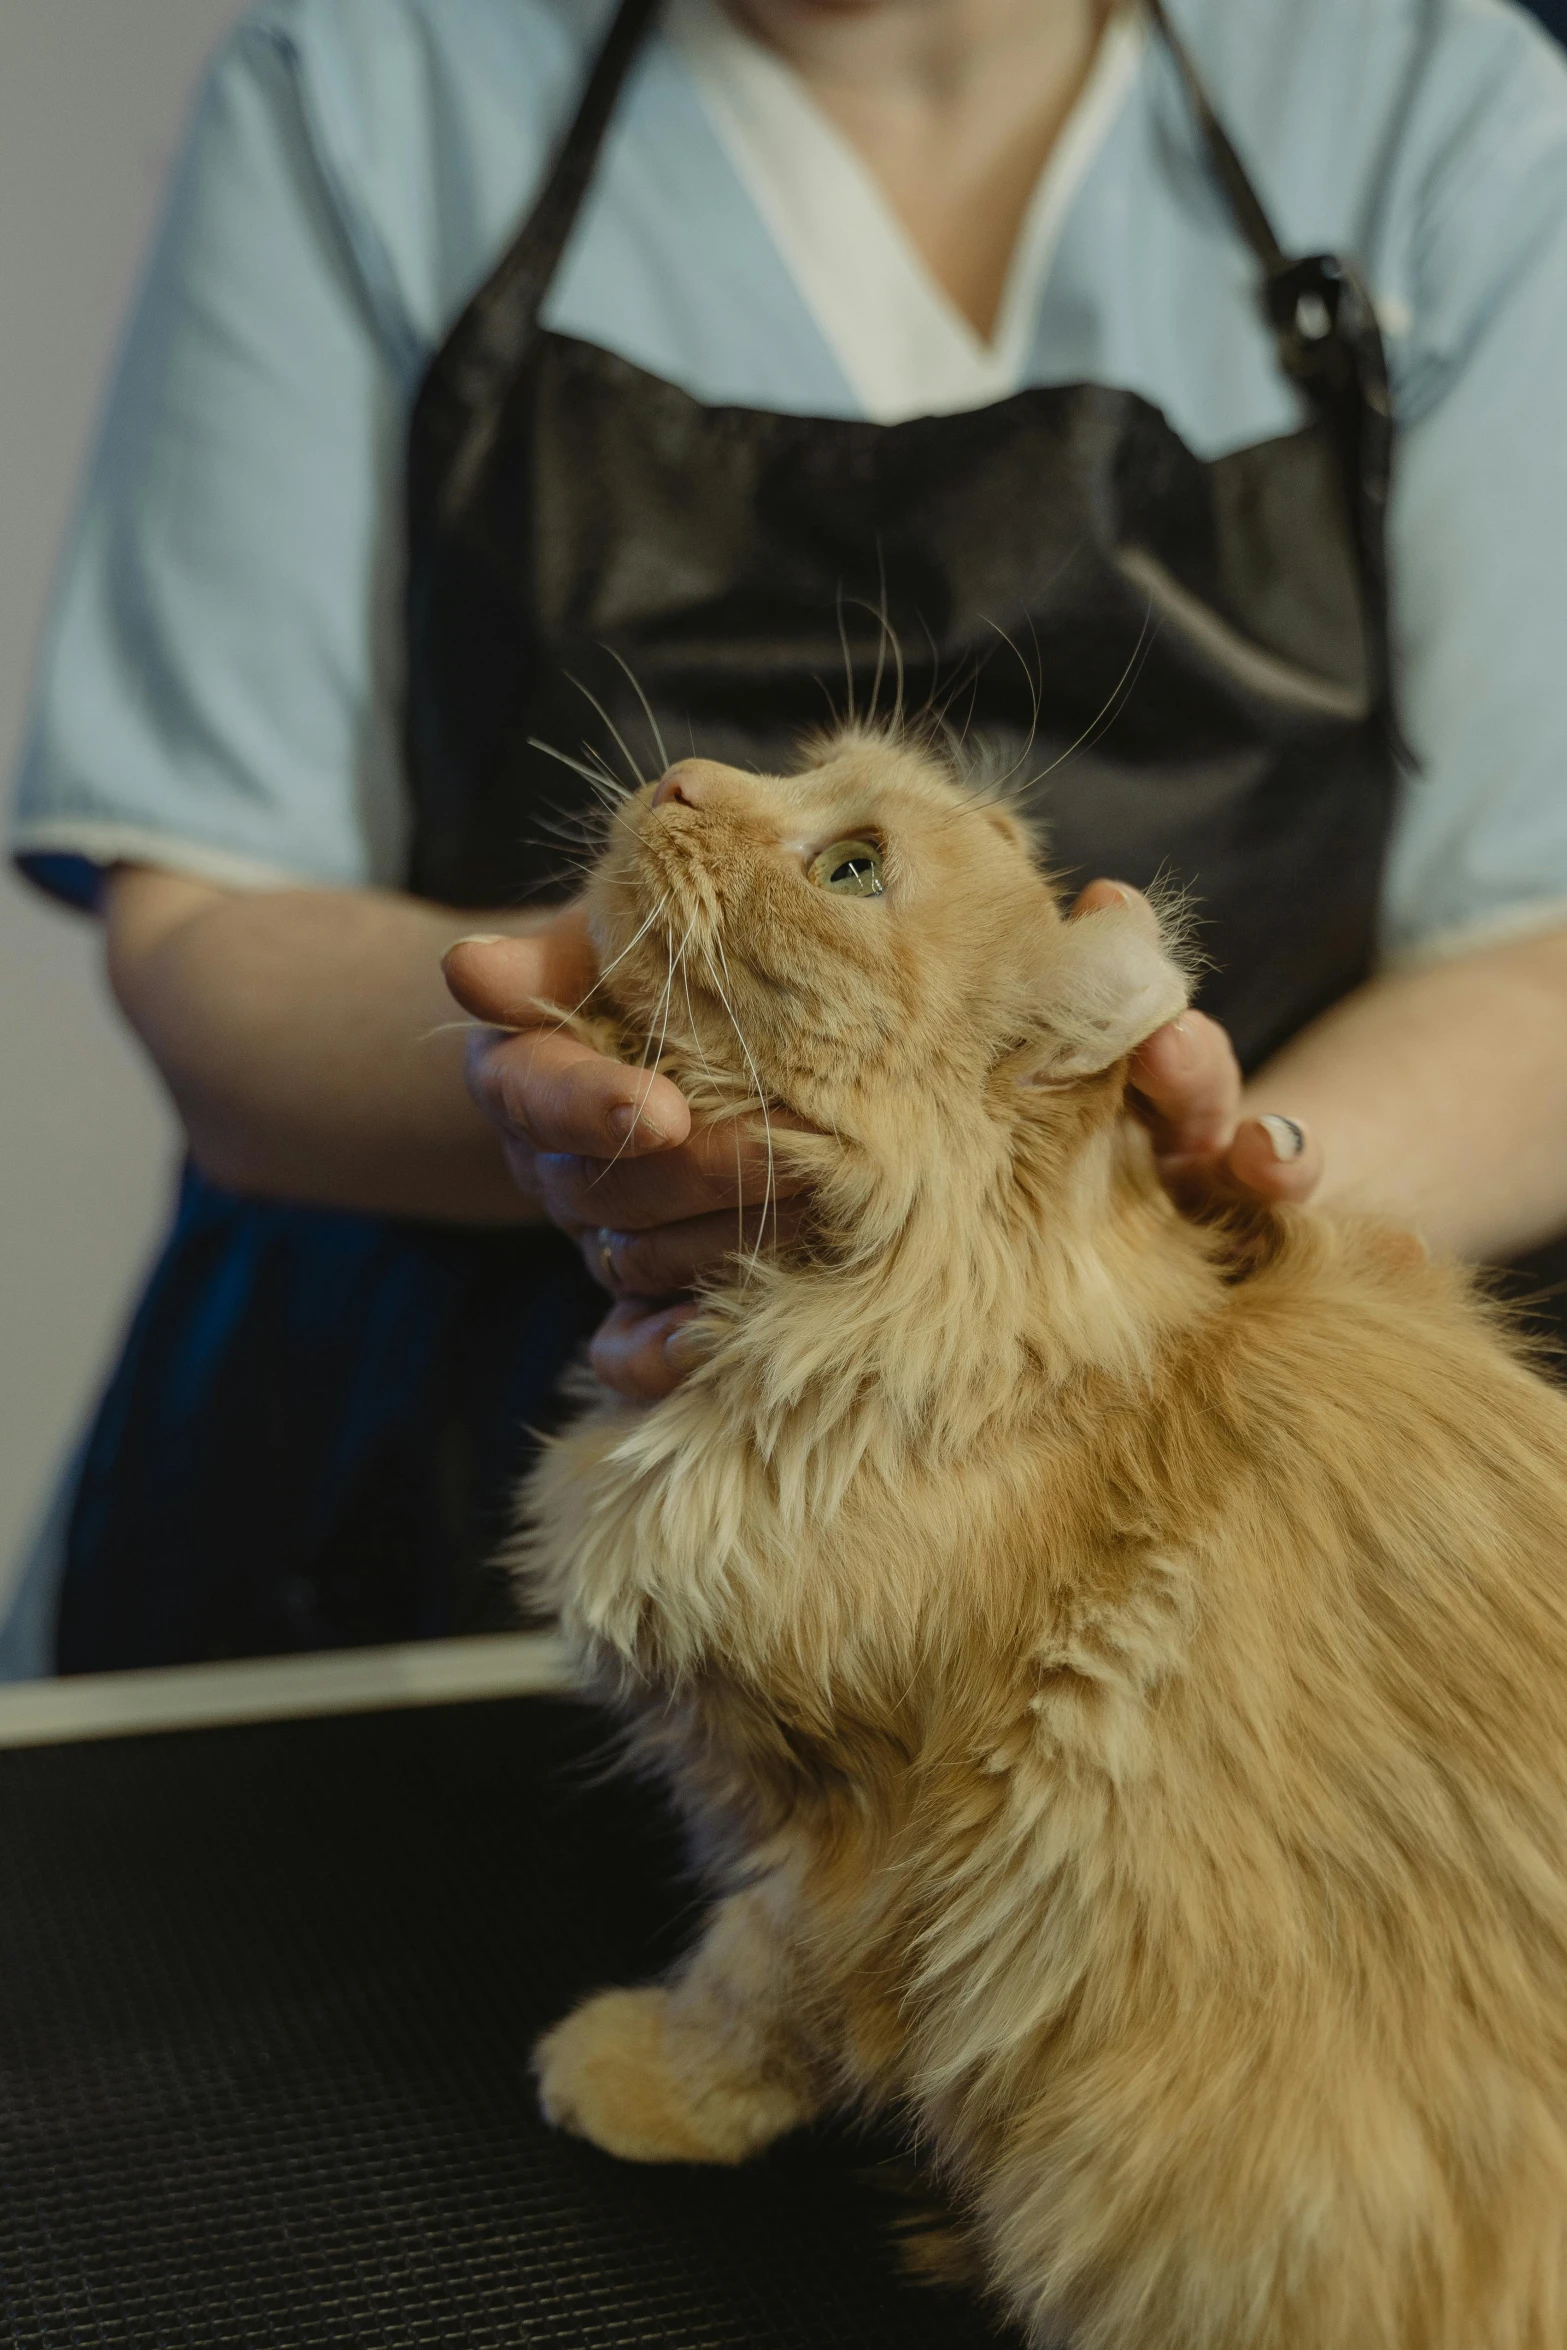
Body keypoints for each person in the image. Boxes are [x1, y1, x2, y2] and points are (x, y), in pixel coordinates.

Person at [8, 0, 1567, 1675]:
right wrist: (587, 1078)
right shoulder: (366, 85)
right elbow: (204, 937)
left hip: (1166, 1529)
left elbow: (1539, 952)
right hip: (403, 1522)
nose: (692, 785)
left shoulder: (1432, 97)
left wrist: (1141, 1212)